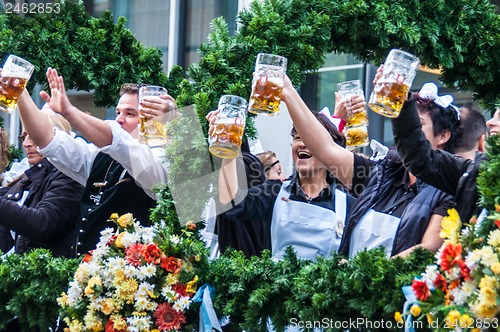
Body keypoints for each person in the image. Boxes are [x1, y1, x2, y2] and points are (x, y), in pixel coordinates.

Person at [281, 77, 457, 258]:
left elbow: (429, 248)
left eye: (417, 126)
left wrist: (365, 273)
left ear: (443, 136)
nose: (406, 133)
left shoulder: (448, 190)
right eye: (404, 124)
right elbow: (325, 148)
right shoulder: (382, 174)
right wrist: (289, 92)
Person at [17, 68, 174, 257]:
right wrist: (20, 90)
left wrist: (69, 111)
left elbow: (119, 142)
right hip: (88, 280)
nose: (119, 120)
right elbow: (48, 140)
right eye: (117, 112)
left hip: (135, 281)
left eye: (130, 114)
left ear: (152, 120)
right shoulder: (99, 157)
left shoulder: (165, 163)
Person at [210, 110, 352, 261]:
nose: (302, 144)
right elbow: (231, 205)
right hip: (275, 283)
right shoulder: (275, 191)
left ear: (330, 151)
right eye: (298, 137)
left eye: (310, 139)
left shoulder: (349, 205)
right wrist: (229, 145)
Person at [0, 107, 84, 257]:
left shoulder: (69, 175)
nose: (26, 144)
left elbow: (43, 224)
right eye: (24, 136)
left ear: (56, 138)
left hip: (43, 277)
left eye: (33, 136)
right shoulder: (25, 178)